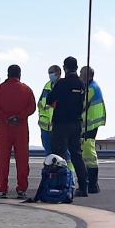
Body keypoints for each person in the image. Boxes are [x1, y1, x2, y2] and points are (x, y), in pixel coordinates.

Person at [0, 64, 36, 199]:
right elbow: (32, 107)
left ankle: (2, 189)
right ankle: (21, 188)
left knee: (2, 160)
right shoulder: (26, 89)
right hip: (21, 127)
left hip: (5, 127)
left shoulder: (0, 90)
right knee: (22, 159)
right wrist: (20, 116)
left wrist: (6, 117)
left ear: (8, 74)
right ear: (19, 74)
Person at [47, 56, 89, 198]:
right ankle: (83, 187)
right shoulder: (81, 84)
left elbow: (49, 99)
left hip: (61, 123)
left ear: (64, 68)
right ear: (76, 68)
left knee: (59, 155)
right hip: (76, 123)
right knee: (77, 155)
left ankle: (60, 185)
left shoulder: (62, 83)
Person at [80, 65, 106, 194]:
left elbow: (82, 103)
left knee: (89, 153)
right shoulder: (93, 87)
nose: (79, 76)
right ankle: (92, 183)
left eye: (81, 73)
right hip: (90, 124)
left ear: (86, 75)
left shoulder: (91, 89)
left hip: (89, 124)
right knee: (88, 152)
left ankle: (92, 183)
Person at [38, 65, 61, 159]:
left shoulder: (63, 86)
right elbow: (40, 104)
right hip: (45, 126)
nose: (50, 75)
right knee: (48, 154)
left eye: (51, 72)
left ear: (58, 73)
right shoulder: (47, 86)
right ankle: (50, 172)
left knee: (62, 153)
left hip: (57, 126)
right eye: (49, 72)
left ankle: (67, 173)